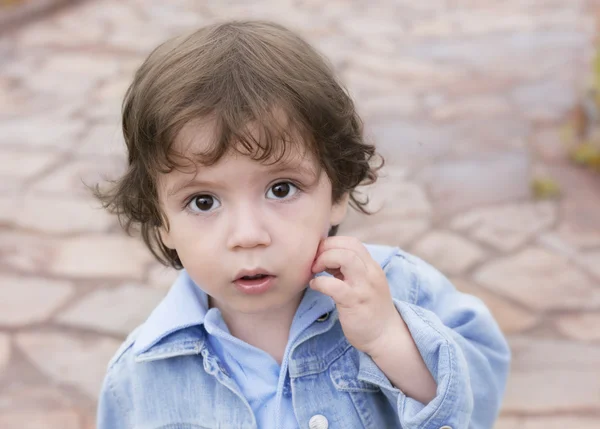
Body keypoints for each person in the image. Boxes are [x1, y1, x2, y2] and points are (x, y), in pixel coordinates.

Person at [95, 20, 510, 429]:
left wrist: (390, 340)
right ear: (160, 217)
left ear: (339, 190)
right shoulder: (139, 376)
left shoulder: (401, 290)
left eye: (281, 189)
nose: (248, 235)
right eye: (203, 201)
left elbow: (480, 398)